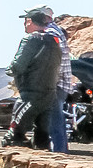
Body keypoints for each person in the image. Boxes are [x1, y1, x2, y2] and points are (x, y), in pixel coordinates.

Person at [6, 9, 63, 149]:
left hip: (30, 93)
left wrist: (10, 70)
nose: (24, 25)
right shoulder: (55, 40)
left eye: (25, 21)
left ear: (30, 21)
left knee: (14, 135)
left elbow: (18, 65)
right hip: (49, 93)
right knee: (42, 136)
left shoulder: (30, 39)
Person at [37, 5, 74, 154]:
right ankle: (60, 151)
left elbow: (53, 59)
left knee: (55, 122)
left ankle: (60, 154)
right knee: (56, 121)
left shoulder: (51, 32)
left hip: (54, 84)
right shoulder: (57, 30)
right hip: (60, 83)